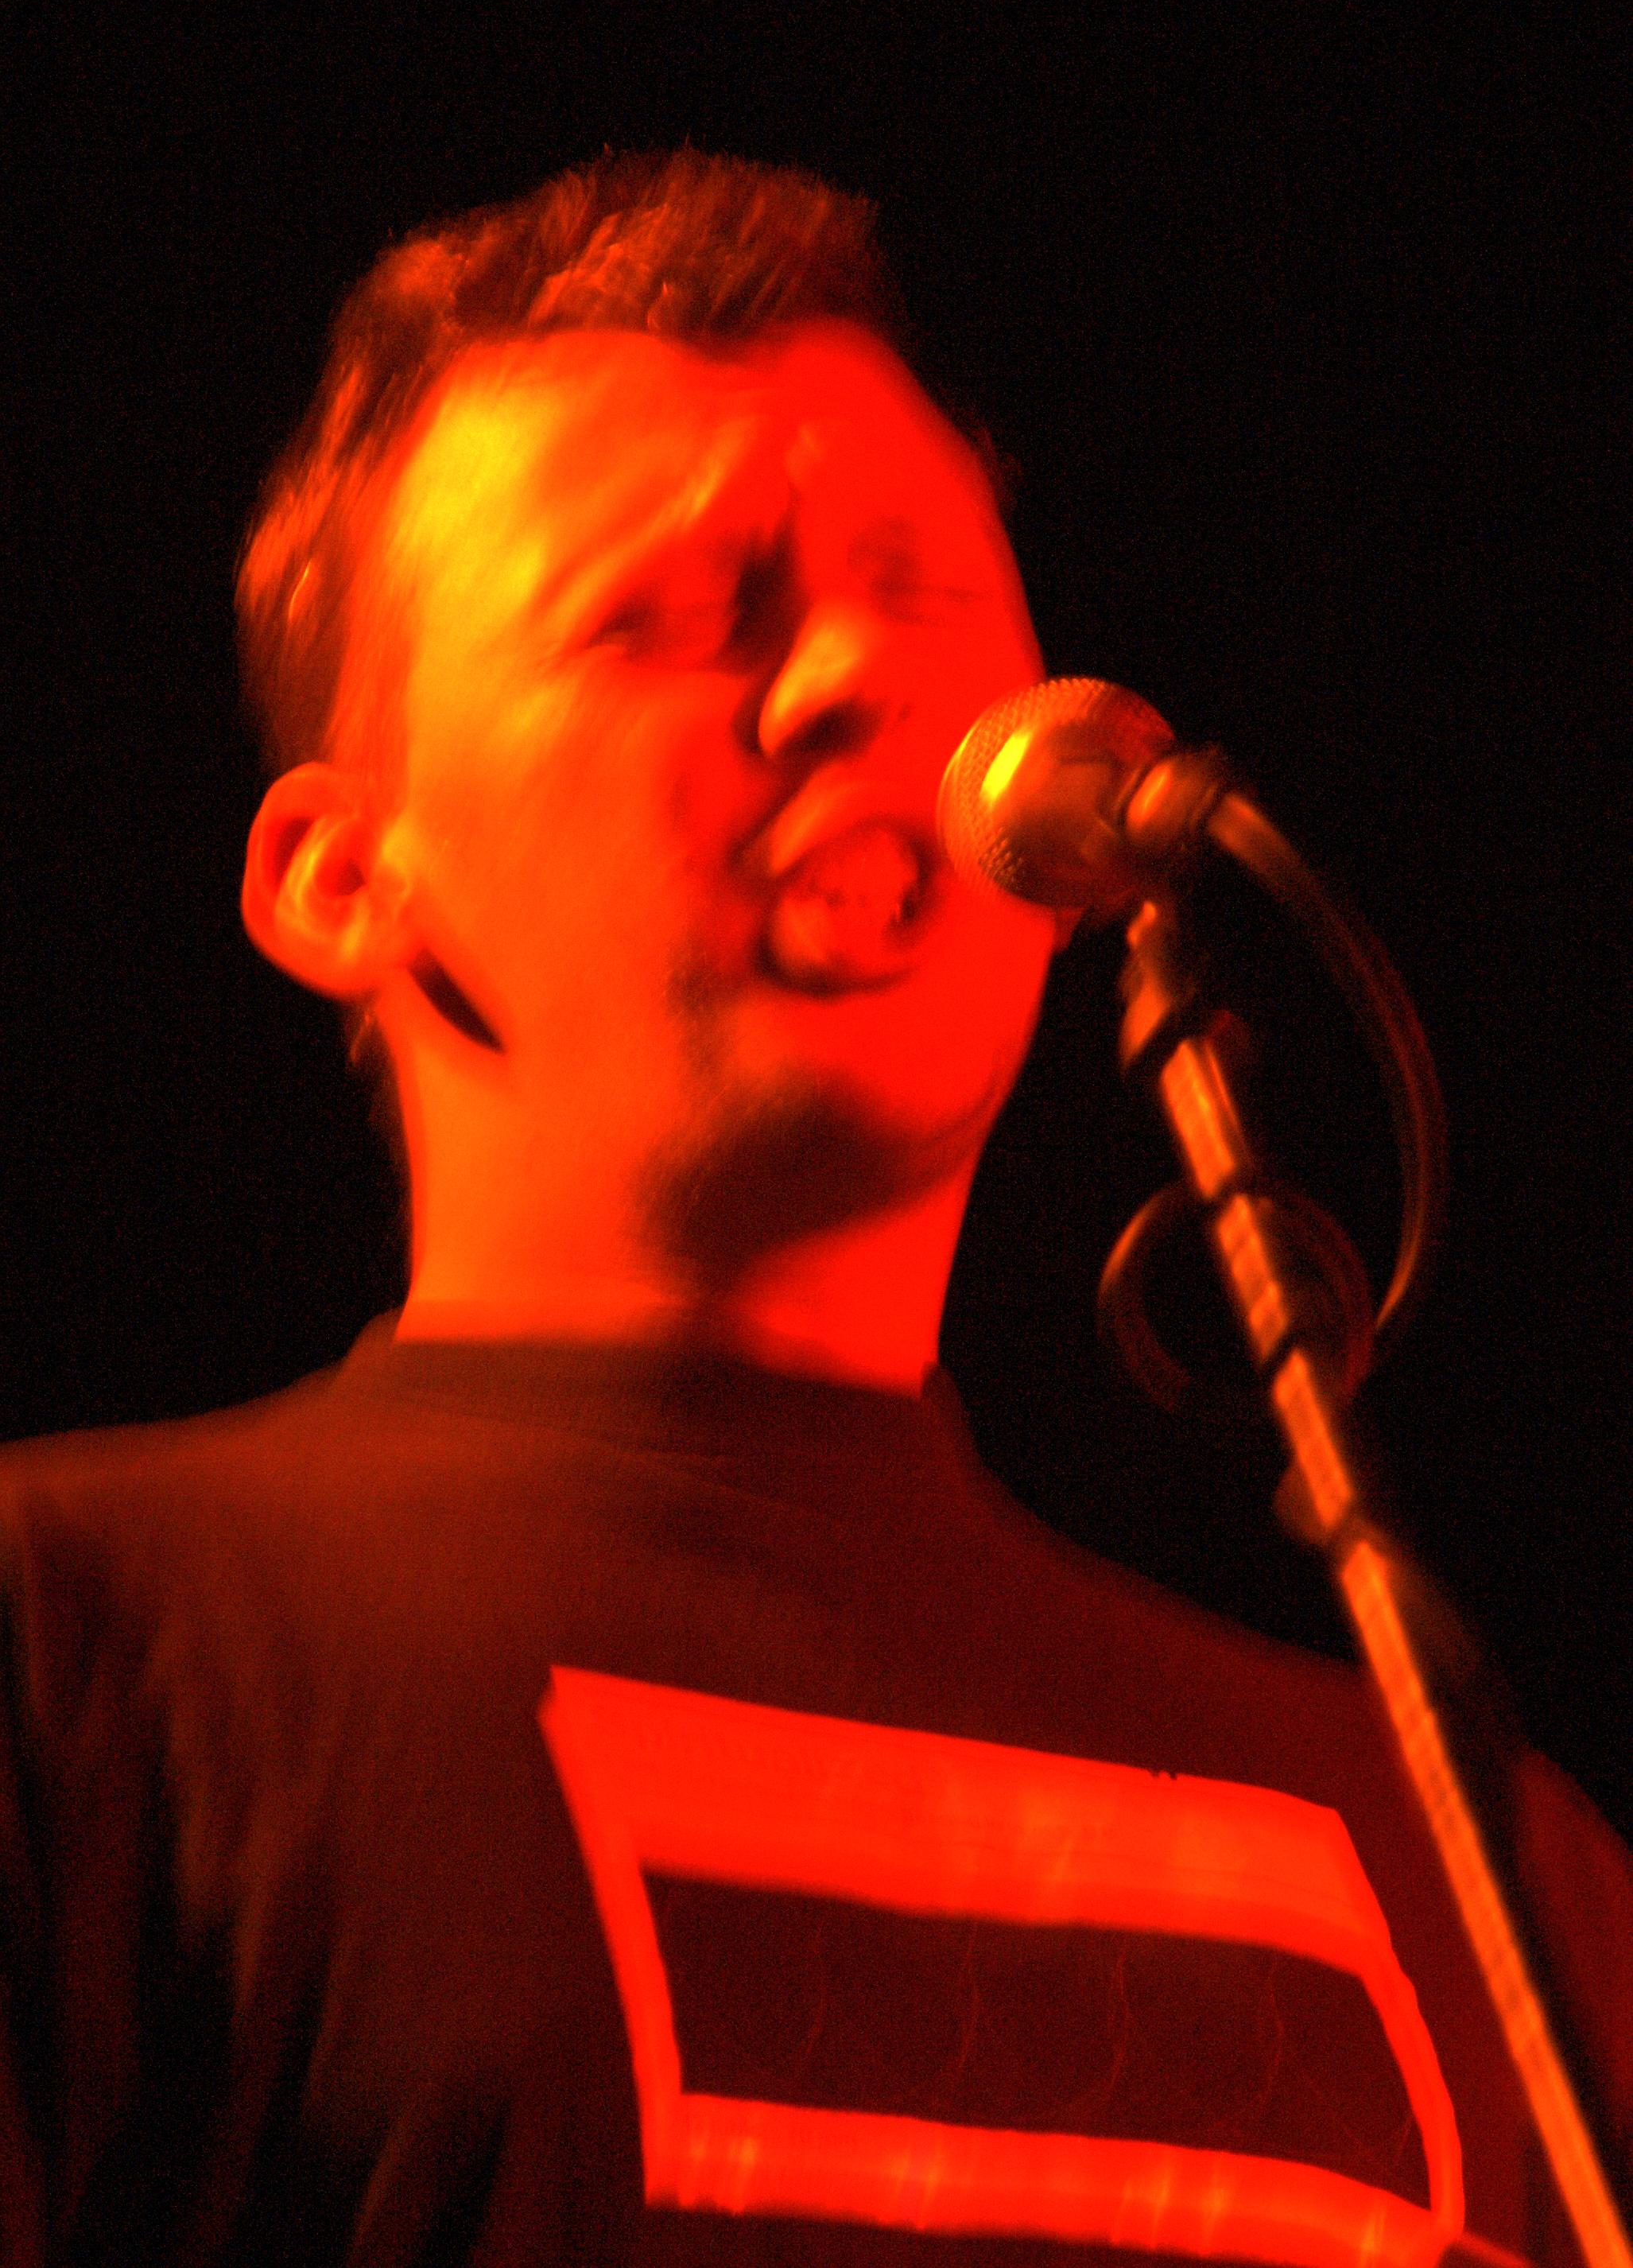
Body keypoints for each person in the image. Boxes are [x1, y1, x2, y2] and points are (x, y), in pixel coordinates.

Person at [0, 151, 1627, 2267]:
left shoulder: (1483, 1870)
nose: (855, 679)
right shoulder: (78, 1656)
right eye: (674, 615)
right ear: (342, 879)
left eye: (924, 595)